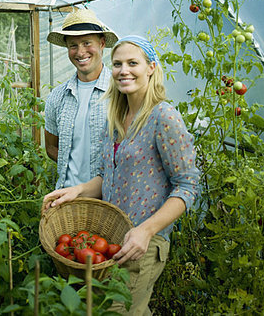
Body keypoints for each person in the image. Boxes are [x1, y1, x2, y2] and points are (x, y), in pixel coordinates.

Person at [43, 35, 200, 315]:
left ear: (151, 67)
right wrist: (76, 191)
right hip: (115, 237)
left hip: (144, 242)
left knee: (119, 310)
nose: (123, 70)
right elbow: (107, 177)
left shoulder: (163, 117)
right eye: (117, 64)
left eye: (132, 63)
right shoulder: (116, 117)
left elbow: (187, 187)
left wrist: (146, 230)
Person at [44, 7, 118, 190]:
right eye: (73, 45)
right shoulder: (57, 97)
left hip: (109, 198)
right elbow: (51, 147)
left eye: (87, 43)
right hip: (67, 197)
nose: (80, 52)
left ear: (101, 43)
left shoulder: (120, 92)